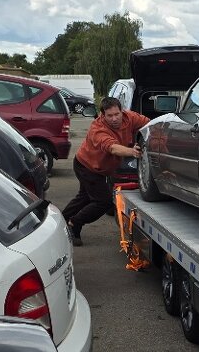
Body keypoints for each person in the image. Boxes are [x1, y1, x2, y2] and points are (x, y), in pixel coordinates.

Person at [62, 97, 149, 246]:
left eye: (117, 114)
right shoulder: (98, 129)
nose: (114, 119)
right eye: (110, 116)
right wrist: (131, 151)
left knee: (85, 197)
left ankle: (61, 221)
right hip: (87, 166)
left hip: (100, 169)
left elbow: (150, 123)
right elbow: (112, 148)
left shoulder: (130, 117)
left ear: (122, 111)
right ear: (103, 115)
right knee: (103, 202)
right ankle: (74, 223)